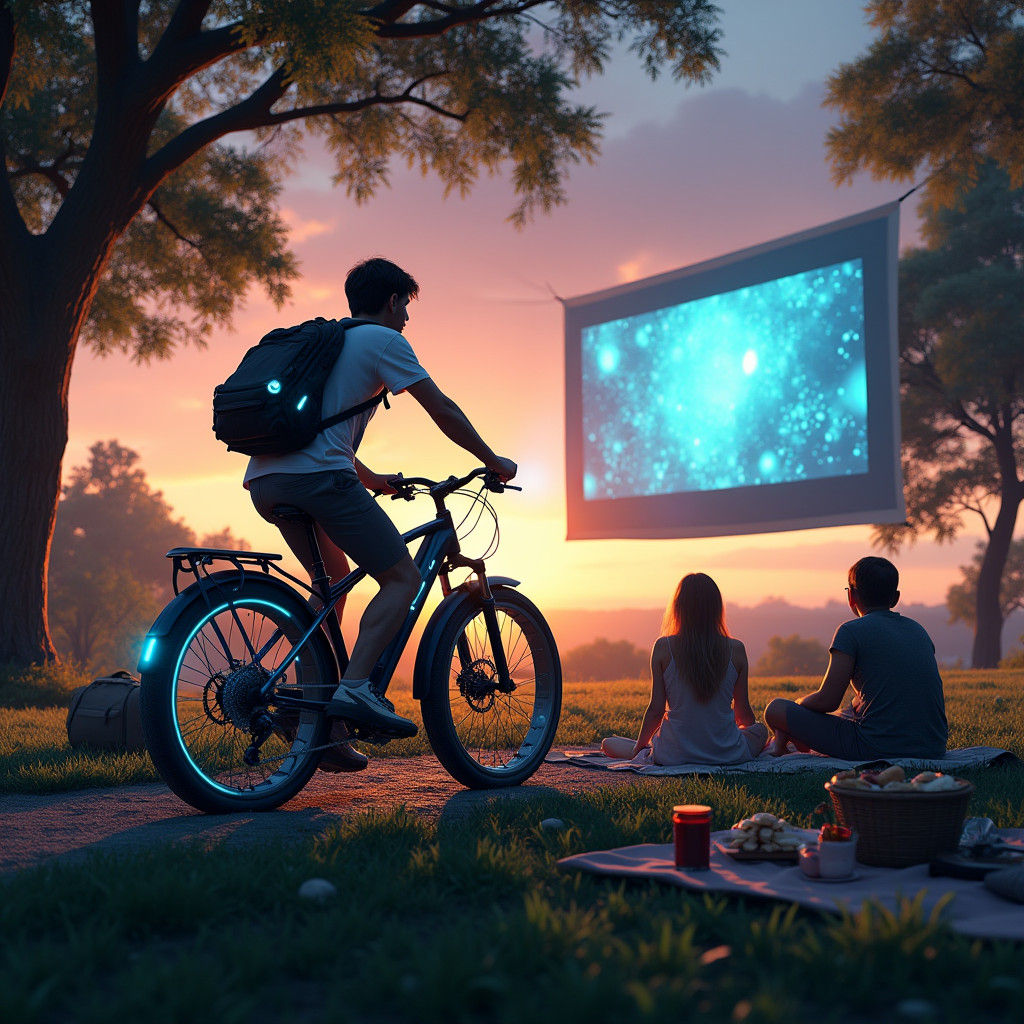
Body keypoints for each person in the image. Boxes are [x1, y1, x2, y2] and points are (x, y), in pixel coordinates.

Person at [244, 257, 516, 768]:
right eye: (407, 307)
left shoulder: (326, 343)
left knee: (332, 585)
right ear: (392, 301)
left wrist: (372, 481)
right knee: (401, 578)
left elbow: (320, 432)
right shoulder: (383, 341)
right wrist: (491, 459)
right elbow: (442, 408)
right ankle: (353, 690)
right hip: (321, 481)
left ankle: (322, 724)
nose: (408, 319)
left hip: (265, 480)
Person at [763, 556, 948, 760]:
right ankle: (788, 741)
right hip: (933, 746)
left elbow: (827, 700)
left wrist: (799, 703)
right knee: (848, 711)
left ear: (851, 596)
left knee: (777, 709)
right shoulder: (917, 629)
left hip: (875, 746)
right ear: (895, 598)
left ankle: (784, 743)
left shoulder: (850, 631)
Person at [601, 573, 768, 765]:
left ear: (678, 608)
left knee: (608, 743)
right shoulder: (736, 649)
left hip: (672, 754)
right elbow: (743, 714)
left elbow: (656, 709)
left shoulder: (664, 647)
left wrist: (638, 749)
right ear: (716, 608)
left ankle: (641, 747)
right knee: (760, 730)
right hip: (727, 754)